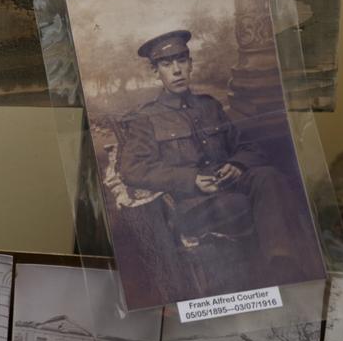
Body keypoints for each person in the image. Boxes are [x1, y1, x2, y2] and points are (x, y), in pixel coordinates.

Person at [119, 29, 313, 280]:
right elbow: (133, 169)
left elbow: (248, 148)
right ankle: (271, 272)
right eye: (167, 65)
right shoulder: (145, 118)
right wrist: (190, 180)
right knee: (245, 204)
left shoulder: (210, 106)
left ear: (191, 64)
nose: (176, 70)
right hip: (192, 204)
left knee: (270, 177)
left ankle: (282, 266)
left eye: (181, 61)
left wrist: (237, 164)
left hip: (230, 186)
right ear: (155, 72)